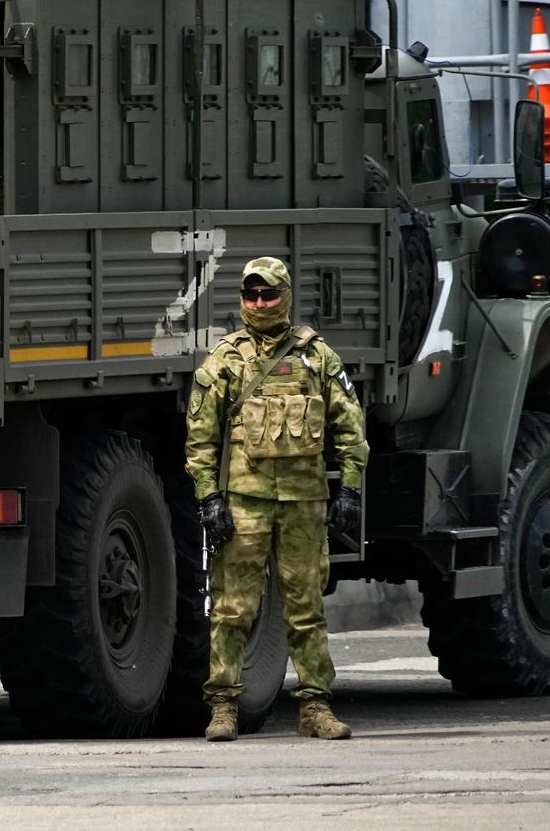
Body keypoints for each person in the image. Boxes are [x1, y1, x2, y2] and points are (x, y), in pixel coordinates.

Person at [185, 256, 368, 741]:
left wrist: (349, 488)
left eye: (268, 293)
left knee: (305, 608)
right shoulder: (225, 359)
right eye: (251, 294)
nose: (259, 302)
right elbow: (199, 441)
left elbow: (350, 427)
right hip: (244, 502)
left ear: (286, 295)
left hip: (304, 502)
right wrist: (209, 500)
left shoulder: (316, 356)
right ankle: (223, 707)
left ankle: (315, 708)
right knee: (231, 608)